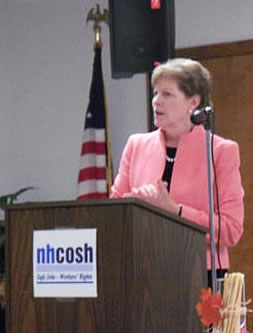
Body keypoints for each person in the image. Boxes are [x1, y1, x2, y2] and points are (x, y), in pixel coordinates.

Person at [110, 58, 244, 287]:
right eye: (155, 93)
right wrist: (137, 202)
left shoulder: (221, 152)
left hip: (201, 275)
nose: (156, 102)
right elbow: (114, 213)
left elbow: (230, 230)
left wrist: (176, 211)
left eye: (167, 94)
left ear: (193, 102)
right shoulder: (136, 145)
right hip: (144, 271)